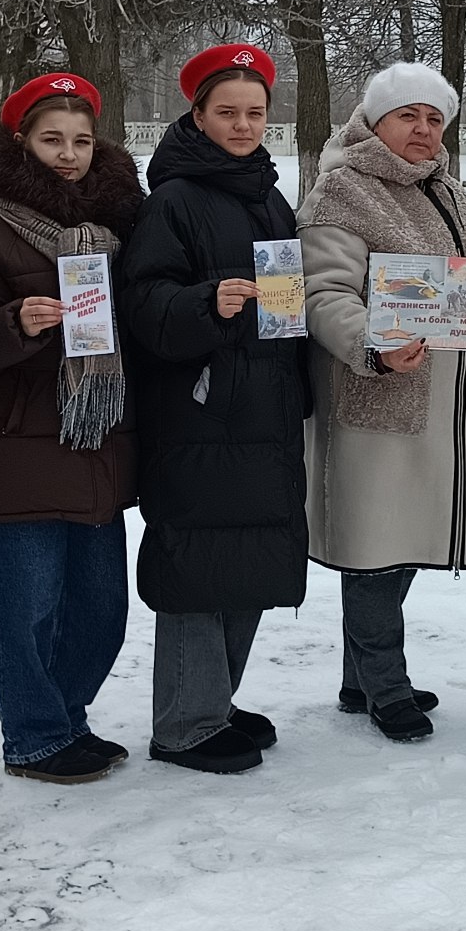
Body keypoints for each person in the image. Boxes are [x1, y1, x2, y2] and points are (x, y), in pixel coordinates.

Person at [0, 72, 145, 785]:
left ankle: (68, 718)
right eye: (52, 139)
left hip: (98, 439)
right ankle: (33, 736)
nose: (68, 155)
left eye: (81, 142)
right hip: (19, 442)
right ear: (21, 143)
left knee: (99, 606)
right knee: (24, 605)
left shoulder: (122, 230)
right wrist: (16, 322)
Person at [124, 43, 311, 775]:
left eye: (255, 113)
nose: (242, 125)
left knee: (250, 560)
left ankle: (214, 703)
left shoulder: (269, 195)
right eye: (227, 112)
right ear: (197, 116)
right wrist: (206, 301)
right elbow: (144, 303)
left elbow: (288, 303)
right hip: (202, 414)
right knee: (198, 564)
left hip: (265, 406)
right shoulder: (173, 199)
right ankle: (184, 723)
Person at [297, 62, 466, 742]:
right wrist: (373, 345)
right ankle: (386, 687)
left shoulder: (448, 191)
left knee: (399, 547)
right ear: (374, 121)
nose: (423, 129)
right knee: (374, 549)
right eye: (408, 115)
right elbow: (323, 293)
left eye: (435, 118)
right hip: (377, 398)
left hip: (441, 405)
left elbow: (465, 284)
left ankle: (361, 679)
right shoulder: (344, 189)